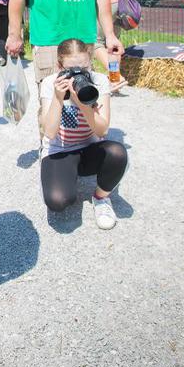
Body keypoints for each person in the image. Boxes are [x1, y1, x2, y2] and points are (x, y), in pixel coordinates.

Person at [39, 39, 126, 229]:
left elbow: (102, 130)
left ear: (91, 63)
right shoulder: (49, 83)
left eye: (84, 68)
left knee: (117, 153)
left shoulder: (99, 81)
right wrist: (58, 98)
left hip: (90, 148)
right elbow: (50, 132)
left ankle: (101, 198)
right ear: (59, 67)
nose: (78, 75)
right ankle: (65, 175)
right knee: (58, 201)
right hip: (59, 150)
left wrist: (82, 102)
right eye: (71, 70)